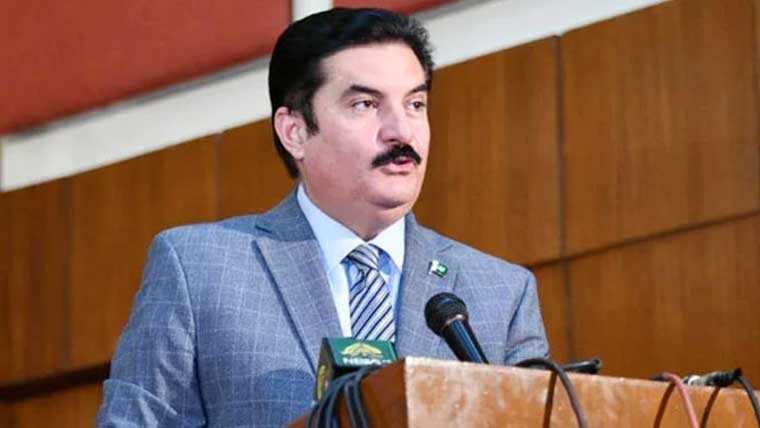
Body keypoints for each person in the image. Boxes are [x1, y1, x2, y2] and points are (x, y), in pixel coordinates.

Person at [96, 8, 548, 428]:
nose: (402, 131)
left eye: (415, 104)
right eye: (365, 104)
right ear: (295, 132)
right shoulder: (200, 269)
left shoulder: (500, 294)